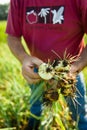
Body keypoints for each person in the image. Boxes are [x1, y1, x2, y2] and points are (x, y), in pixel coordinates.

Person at [6, 0, 87, 129]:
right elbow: (12, 36)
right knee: (36, 107)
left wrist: (77, 66)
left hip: (71, 73)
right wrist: (24, 58)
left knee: (79, 111)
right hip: (38, 71)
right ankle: (33, 126)